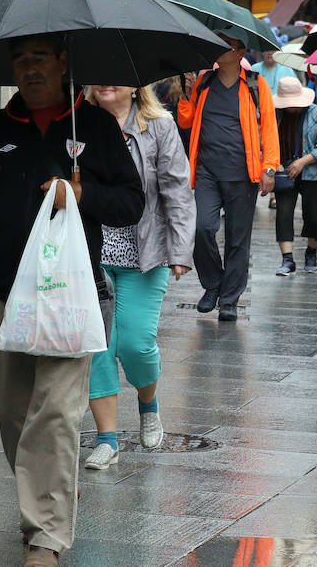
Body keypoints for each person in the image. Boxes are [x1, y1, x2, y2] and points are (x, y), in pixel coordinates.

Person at [0, 35, 144, 567]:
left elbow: (131, 203)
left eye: (40, 58)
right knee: (13, 414)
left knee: (56, 415)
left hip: (70, 297)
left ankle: (46, 534)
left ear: (63, 62)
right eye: (20, 60)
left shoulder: (94, 126)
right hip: (2, 298)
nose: (29, 69)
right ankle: (53, 487)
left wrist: (82, 193)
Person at [83, 84, 195, 470]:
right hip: (92, 253)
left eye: (115, 76)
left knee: (135, 345)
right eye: (99, 76)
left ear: (135, 86)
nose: (106, 82)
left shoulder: (159, 126)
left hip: (144, 254)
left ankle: (148, 403)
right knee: (98, 346)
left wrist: (180, 251)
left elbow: (177, 191)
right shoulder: (79, 125)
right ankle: (106, 439)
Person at [178, 28, 280, 322]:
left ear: (240, 52)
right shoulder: (203, 82)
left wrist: (269, 167)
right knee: (202, 228)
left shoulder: (255, 85)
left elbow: (269, 128)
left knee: (237, 239)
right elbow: (185, 120)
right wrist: (185, 91)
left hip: (243, 174)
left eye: (226, 44)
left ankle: (229, 300)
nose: (219, 48)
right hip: (206, 171)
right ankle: (213, 284)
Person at [272, 77, 317, 275]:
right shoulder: (274, 113)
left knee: (315, 216)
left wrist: (303, 161)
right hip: (284, 172)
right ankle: (287, 259)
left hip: (312, 172)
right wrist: (274, 162)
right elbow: (266, 141)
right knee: (283, 214)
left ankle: (311, 252)